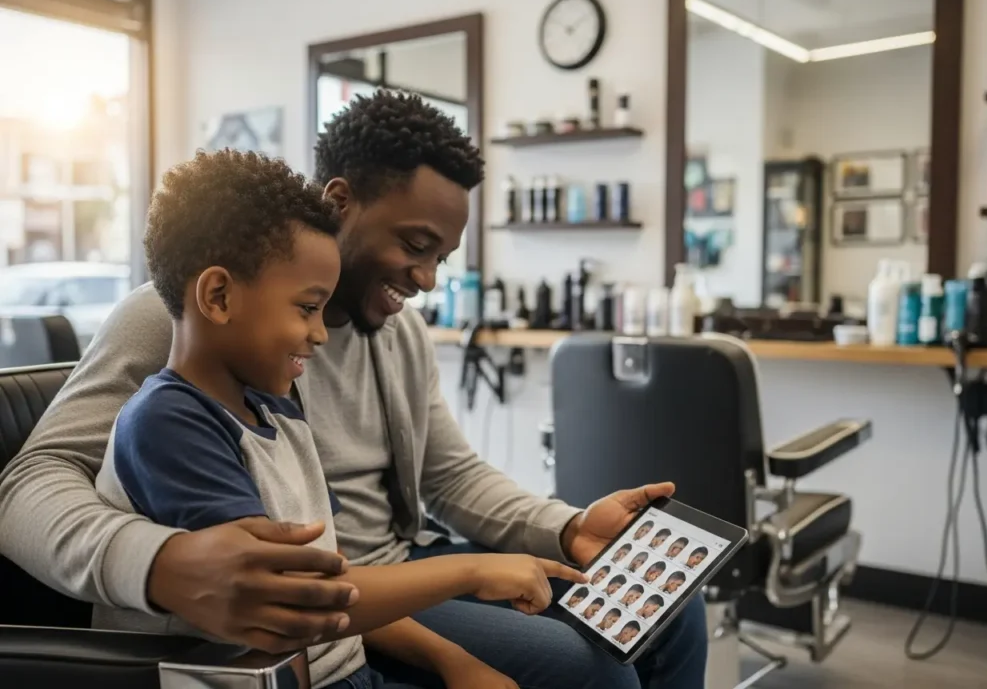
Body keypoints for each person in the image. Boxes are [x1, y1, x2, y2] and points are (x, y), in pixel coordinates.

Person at [0, 90, 708, 689]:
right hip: (350, 594)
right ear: (340, 203)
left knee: (672, 613)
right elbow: (28, 485)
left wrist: (567, 528)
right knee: (587, 667)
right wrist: (156, 563)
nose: (426, 279)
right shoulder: (176, 318)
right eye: (416, 245)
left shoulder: (396, 332)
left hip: (404, 565)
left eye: (442, 258)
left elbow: (450, 475)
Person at [90, 150, 588, 689]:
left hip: (345, 669)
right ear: (219, 295)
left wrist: (452, 661)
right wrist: (471, 571)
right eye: (308, 308)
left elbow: (334, 570)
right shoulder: (169, 426)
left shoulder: (280, 412)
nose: (321, 333)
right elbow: (297, 600)